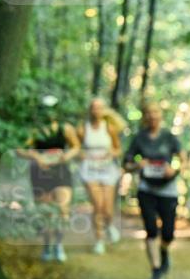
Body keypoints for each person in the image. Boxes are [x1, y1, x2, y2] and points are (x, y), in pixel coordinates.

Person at [124, 102, 187, 279]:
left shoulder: (169, 137)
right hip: (147, 190)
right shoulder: (139, 138)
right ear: (145, 116)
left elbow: (184, 160)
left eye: (155, 112)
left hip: (168, 190)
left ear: (160, 115)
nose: (152, 116)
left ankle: (164, 251)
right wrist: (137, 165)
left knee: (168, 233)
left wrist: (174, 170)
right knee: (151, 230)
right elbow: (126, 164)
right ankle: (156, 269)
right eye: (148, 113)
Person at [17, 95, 81, 262]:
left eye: (52, 109)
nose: (49, 113)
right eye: (46, 109)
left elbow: (75, 146)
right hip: (40, 174)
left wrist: (66, 156)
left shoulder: (65, 128)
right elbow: (20, 149)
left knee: (62, 209)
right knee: (45, 212)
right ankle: (47, 245)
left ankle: (58, 244)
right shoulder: (35, 131)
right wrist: (35, 156)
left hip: (61, 172)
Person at [78, 98, 123, 254]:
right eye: (94, 107)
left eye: (99, 108)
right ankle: (99, 240)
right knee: (98, 205)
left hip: (107, 170)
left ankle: (109, 225)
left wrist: (111, 153)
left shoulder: (109, 128)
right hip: (89, 170)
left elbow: (118, 149)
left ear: (103, 110)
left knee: (107, 209)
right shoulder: (83, 129)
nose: (96, 110)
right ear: (90, 110)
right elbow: (76, 148)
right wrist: (82, 155)